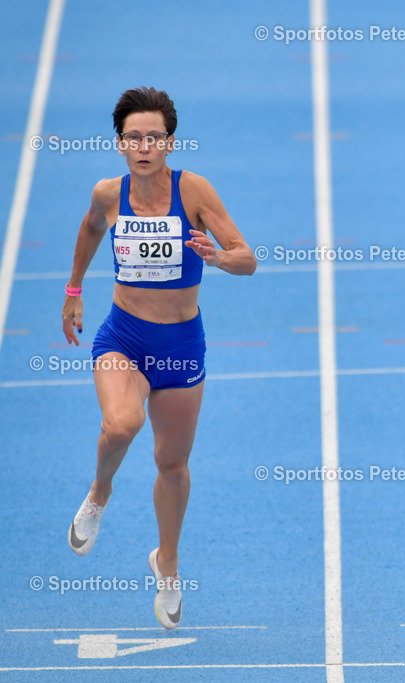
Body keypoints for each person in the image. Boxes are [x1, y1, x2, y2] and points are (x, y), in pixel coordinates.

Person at [63, 87, 256, 628]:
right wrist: (74, 290)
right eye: (134, 138)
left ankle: (166, 563)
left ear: (170, 142)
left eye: (154, 137)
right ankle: (99, 492)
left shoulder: (193, 191)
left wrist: (217, 258)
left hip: (180, 346)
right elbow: (91, 228)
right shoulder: (109, 194)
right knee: (120, 425)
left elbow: (248, 259)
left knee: (171, 464)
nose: (144, 147)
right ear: (120, 143)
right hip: (123, 337)